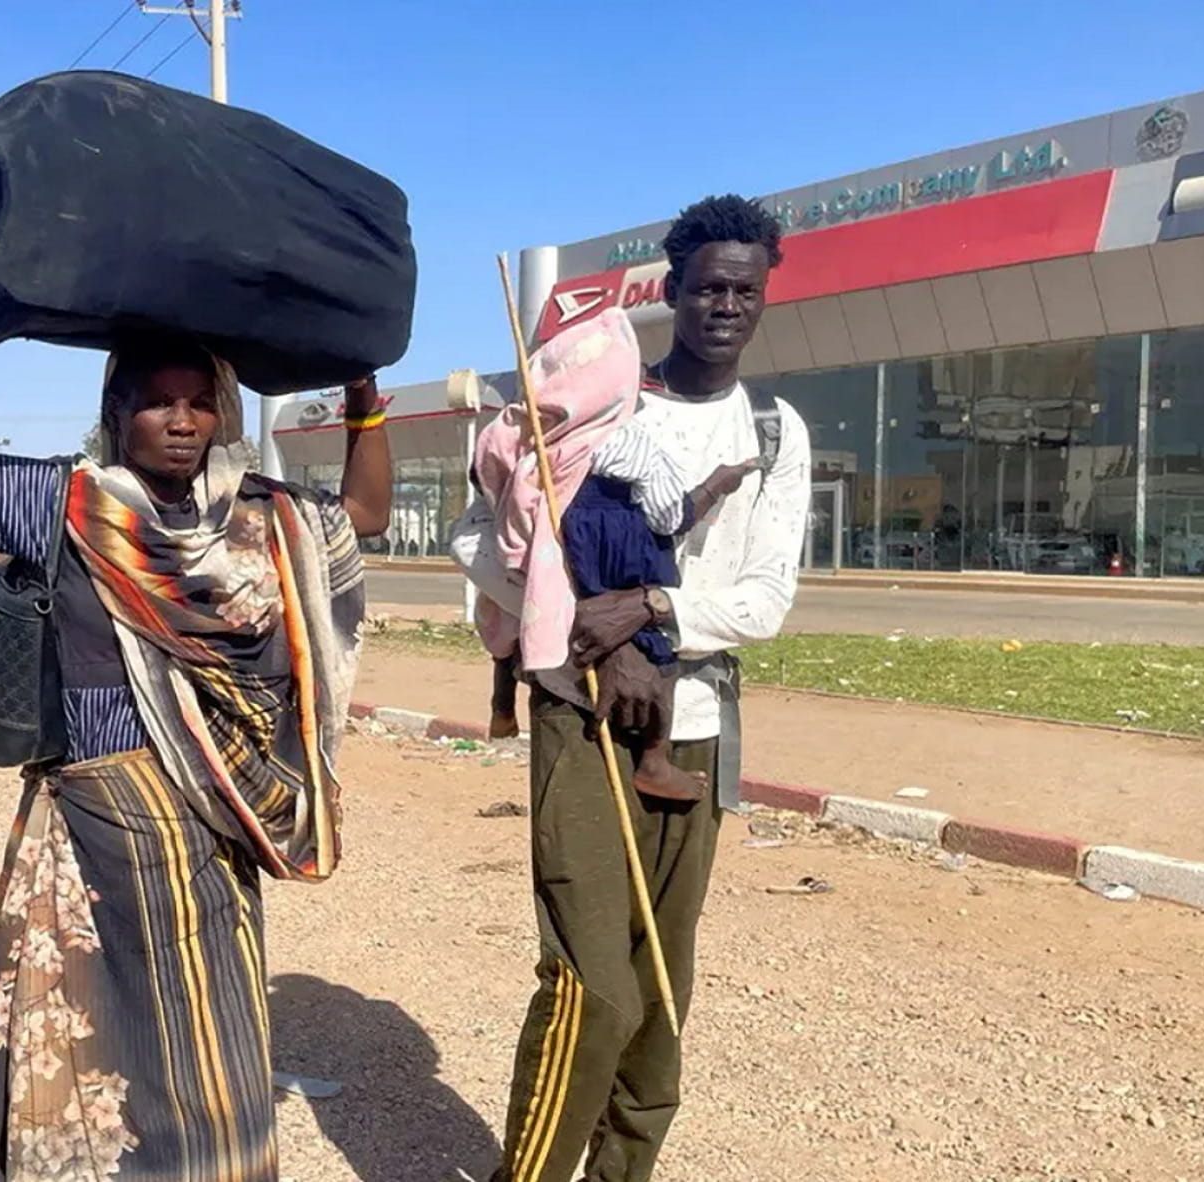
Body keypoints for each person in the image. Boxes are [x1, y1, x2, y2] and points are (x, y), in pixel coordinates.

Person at [0, 256, 390, 1181]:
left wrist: (362, 389)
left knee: (211, 1031)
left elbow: (364, 510)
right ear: (116, 411)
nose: (182, 421)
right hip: (102, 823)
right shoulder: (61, 502)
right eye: (158, 403)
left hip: (220, 821)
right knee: (96, 1026)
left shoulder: (263, 518)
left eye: (199, 403)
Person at [452, 194, 810, 1182]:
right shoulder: (597, 398)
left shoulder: (775, 432)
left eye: (744, 291)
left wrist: (650, 606)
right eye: (707, 289)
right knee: (591, 984)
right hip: (582, 717)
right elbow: (478, 539)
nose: (725, 307)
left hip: (695, 727)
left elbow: (765, 599)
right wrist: (583, 629)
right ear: (673, 293)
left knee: (659, 990)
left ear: (764, 295)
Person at [470, 308, 756, 798]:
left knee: (508, 629)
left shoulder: (539, 446)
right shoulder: (631, 442)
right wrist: (715, 485)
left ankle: (501, 706)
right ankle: (654, 761)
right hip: (626, 569)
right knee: (660, 659)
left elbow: (489, 485)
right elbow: (670, 516)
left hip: (566, 568)